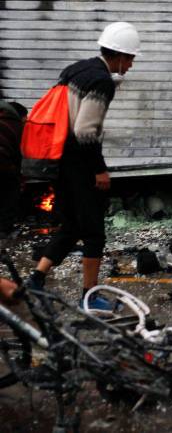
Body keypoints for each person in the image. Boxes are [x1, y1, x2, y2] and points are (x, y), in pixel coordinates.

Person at [24, 22, 141, 310]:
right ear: (120, 56)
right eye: (131, 58)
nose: (131, 65)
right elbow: (86, 131)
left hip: (58, 158)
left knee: (72, 225)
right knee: (93, 232)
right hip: (78, 162)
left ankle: (36, 279)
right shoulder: (101, 81)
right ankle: (89, 297)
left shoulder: (77, 69)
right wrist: (99, 169)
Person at [0, 101, 28, 239]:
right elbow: (18, 154)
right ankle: (4, 229)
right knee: (9, 193)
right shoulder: (16, 125)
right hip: (3, 164)